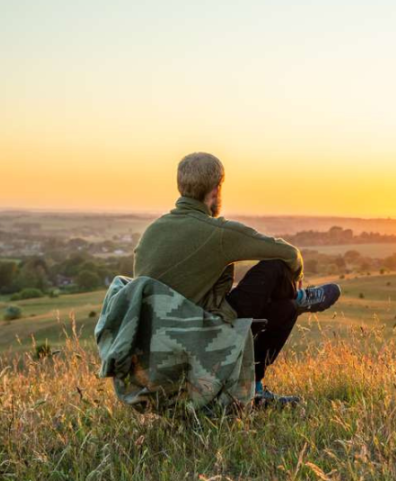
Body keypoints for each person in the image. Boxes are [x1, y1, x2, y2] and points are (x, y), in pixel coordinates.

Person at [133, 152, 341, 406]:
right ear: (215, 190)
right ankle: (299, 299)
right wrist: (296, 275)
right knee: (276, 270)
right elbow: (288, 253)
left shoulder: (151, 232)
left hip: (159, 350)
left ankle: (257, 383)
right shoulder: (216, 232)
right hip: (201, 339)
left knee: (285, 309)